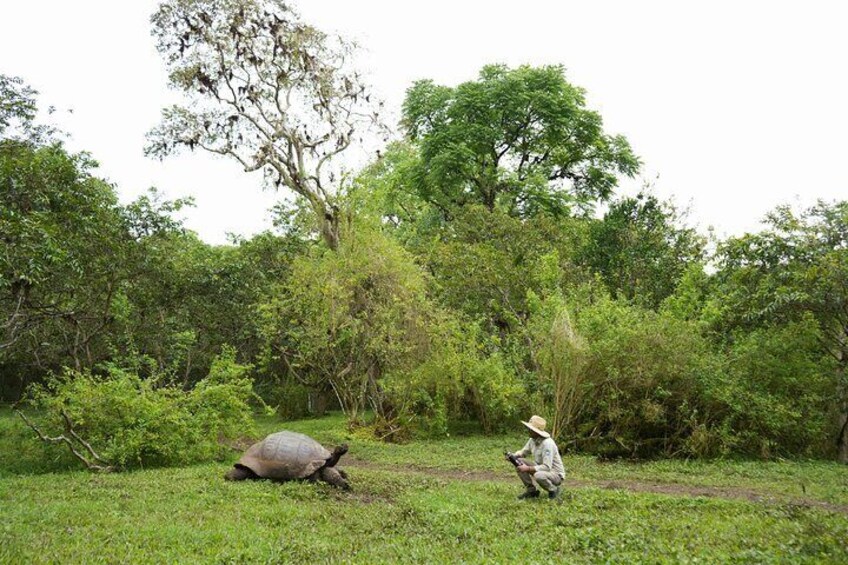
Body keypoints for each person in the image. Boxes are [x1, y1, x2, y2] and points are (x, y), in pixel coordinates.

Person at [506, 415, 565, 500]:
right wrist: (513, 457)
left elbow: (547, 467)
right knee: (518, 462)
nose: (528, 430)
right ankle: (531, 491)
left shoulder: (547, 444)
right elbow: (523, 452)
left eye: (530, 429)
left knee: (538, 475)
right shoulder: (532, 440)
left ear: (536, 431)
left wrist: (528, 468)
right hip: (541, 468)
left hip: (555, 474)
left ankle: (553, 490)